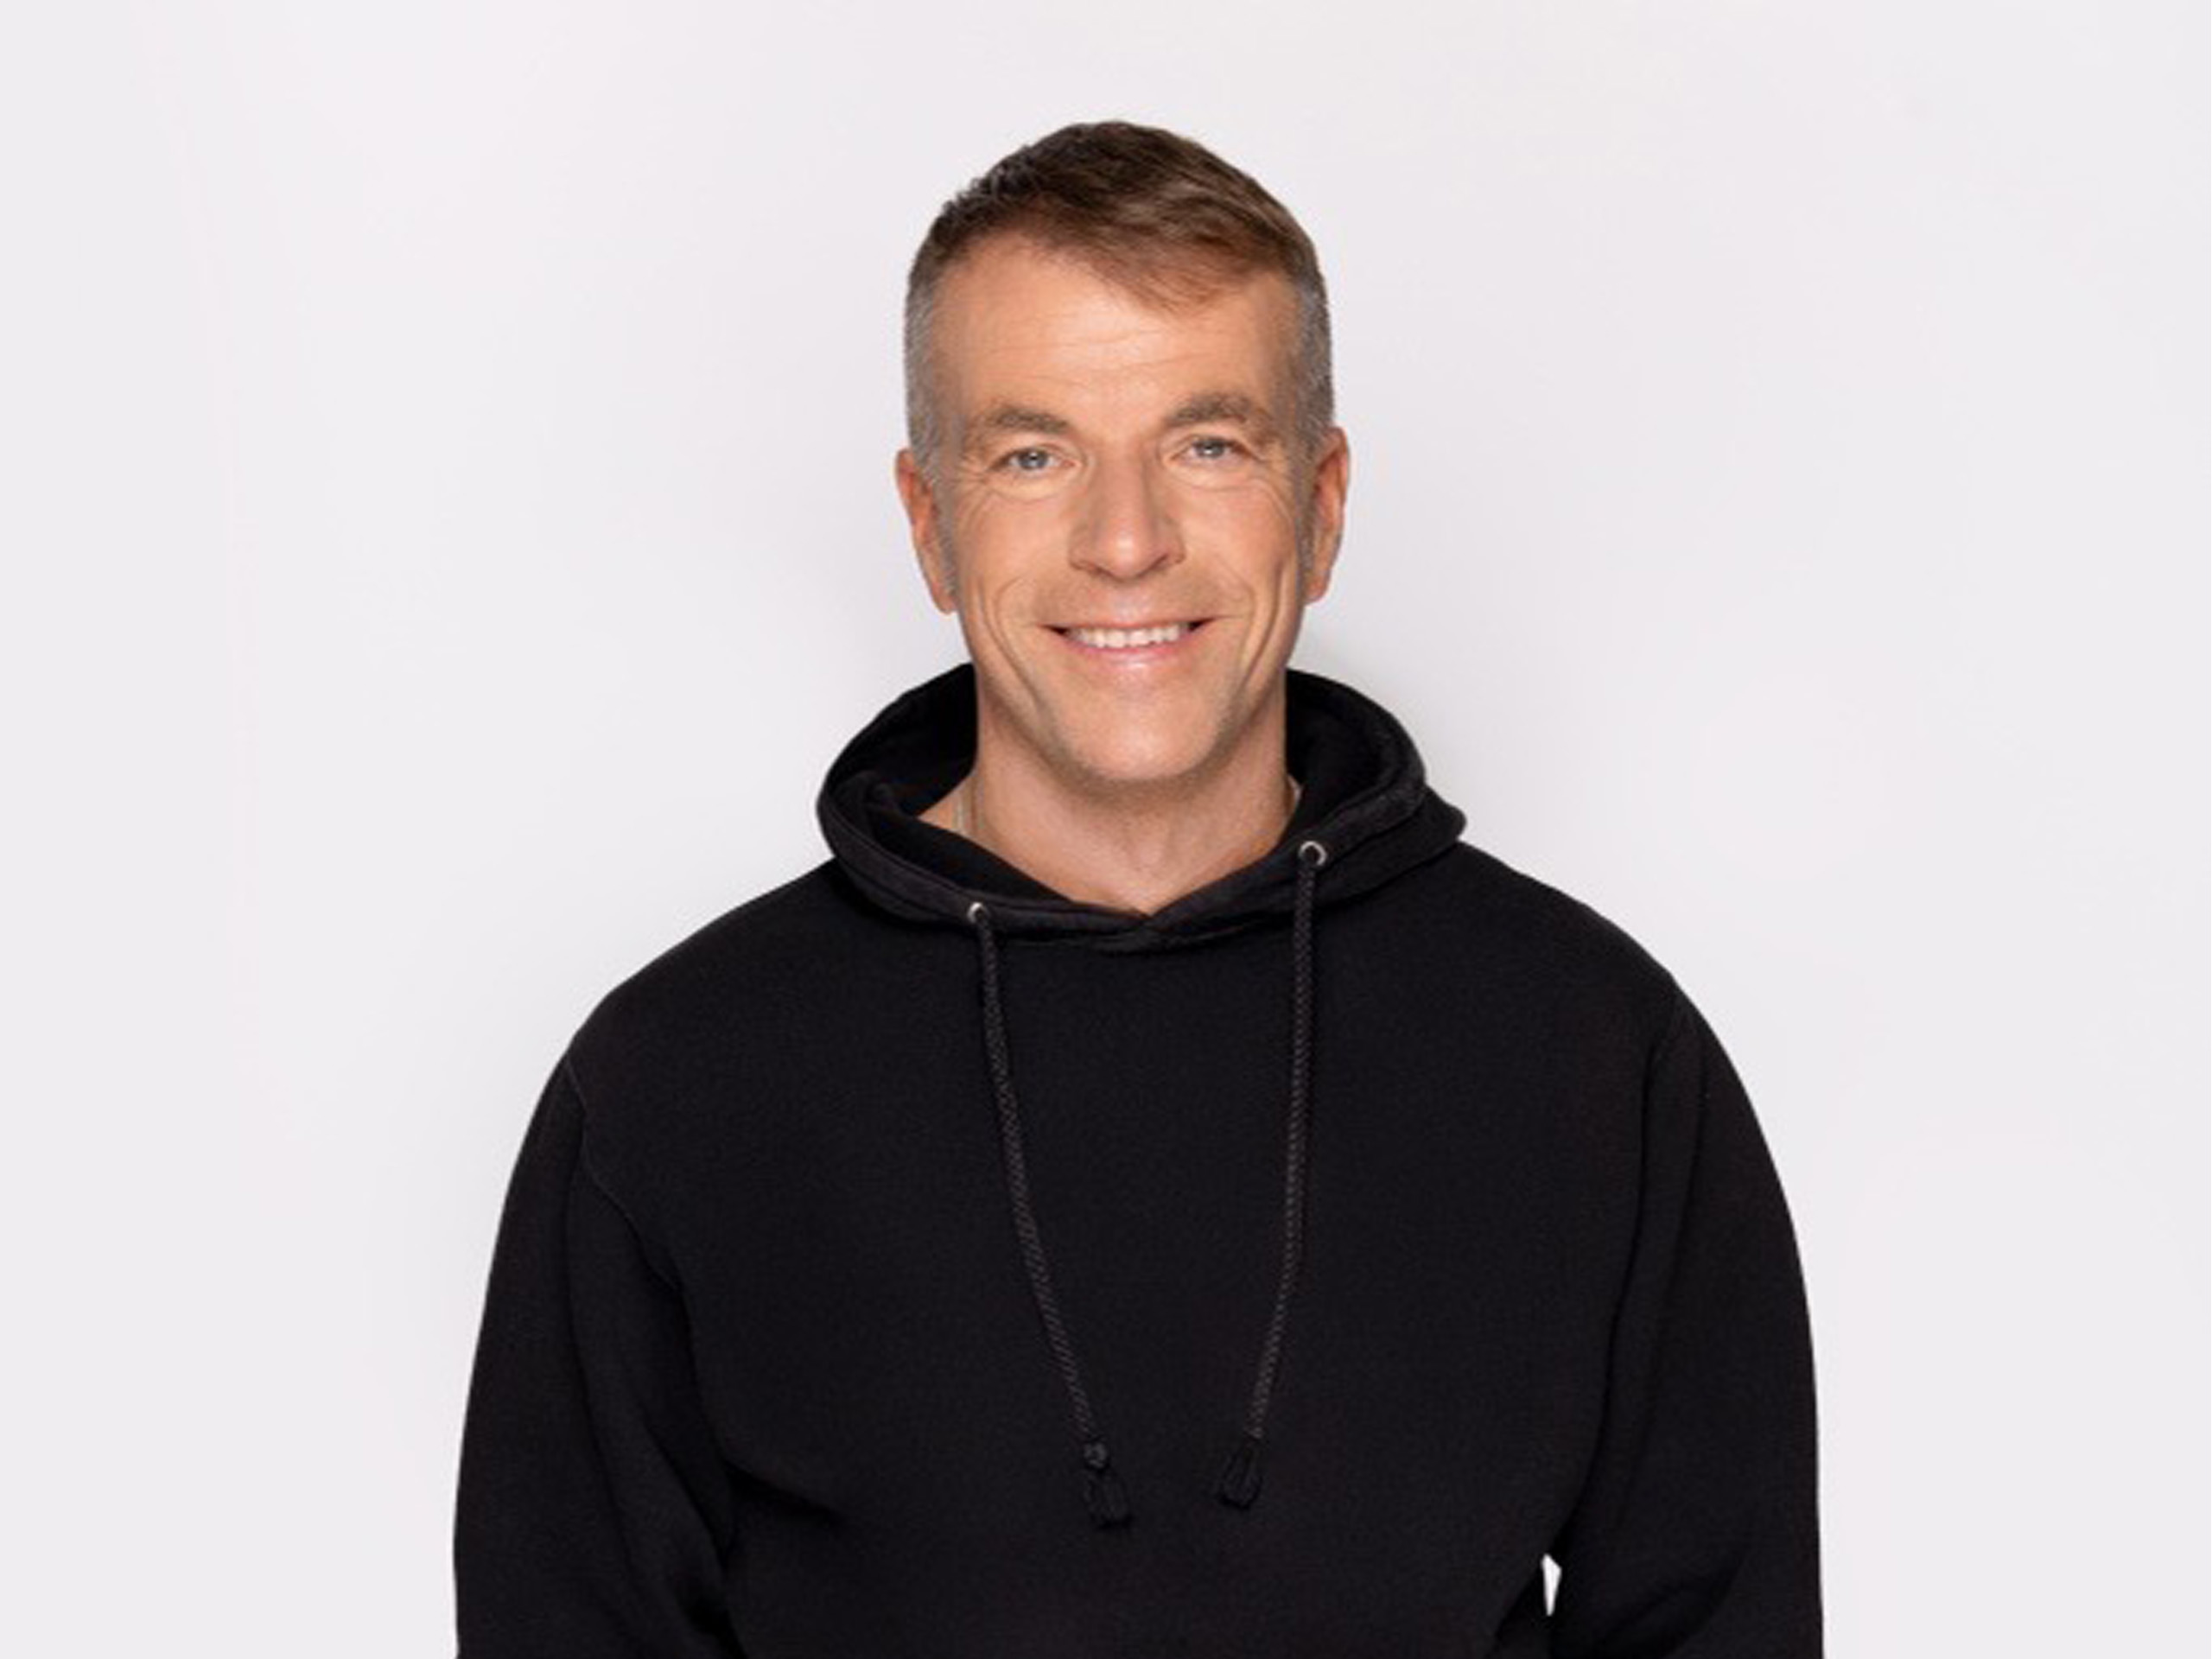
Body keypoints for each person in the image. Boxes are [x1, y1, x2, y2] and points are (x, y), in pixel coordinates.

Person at [452, 119, 1823, 1657]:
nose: (1127, 543)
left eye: (1207, 446)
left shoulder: (1595, 1055)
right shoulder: (675, 1085)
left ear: (1322, 506)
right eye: (1034, 456)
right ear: (930, 526)